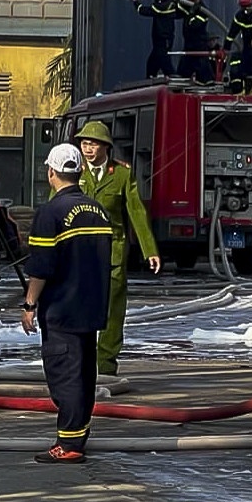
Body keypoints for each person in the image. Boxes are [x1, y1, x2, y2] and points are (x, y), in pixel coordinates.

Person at [19, 143, 113, 464]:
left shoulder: (50, 213)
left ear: (51, 173)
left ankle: (69, 444)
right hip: (92, 307)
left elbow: (42, 266)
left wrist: (30, 304)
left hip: (62, 308)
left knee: (65, 374)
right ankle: (78, 436)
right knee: (85, 373)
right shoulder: (98, 210)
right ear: (80, 171)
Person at [74, 120, 160, 375]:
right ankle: (82, 360)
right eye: (84, 143)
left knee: (112, 310)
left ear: (106, 147)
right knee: (80, 307)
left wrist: (150, 250)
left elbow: (136, 212)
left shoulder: (121, 175)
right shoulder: (73, 171)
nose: (88, 149)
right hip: (80, 251)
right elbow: (56, 207)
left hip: (112, 251)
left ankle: (107, 362)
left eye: (93, 144)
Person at [130, 0, 181, 77]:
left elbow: (143, 11)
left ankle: (176, 82)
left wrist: (135, 1)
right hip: (161, 41)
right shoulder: (172, 4)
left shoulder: (160, 7)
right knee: (152, 64)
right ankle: (150, 81)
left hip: (163, 40)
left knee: (166, 66)